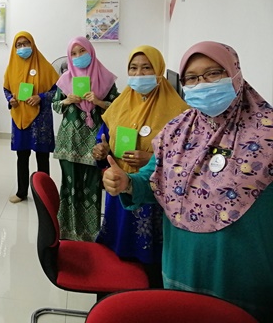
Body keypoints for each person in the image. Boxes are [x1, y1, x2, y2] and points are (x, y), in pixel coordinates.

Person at [102, 41, 273, 321]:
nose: (201, 84)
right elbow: (152, 178)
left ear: (235, 74)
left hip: (242, 276)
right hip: (182, 266)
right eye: (191, 78)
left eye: (213, 73)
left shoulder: (267, 133)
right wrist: (128, 183)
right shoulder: (176, 131)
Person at [92, 46, 188, 286]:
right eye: (133, 68)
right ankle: (117, 288)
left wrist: (150, 160)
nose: (139, 74)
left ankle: (146, 295)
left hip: (151, 195)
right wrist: (101, 150)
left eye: (146, 68)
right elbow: (104, 137)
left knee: (148, 259)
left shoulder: (178, 112)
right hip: (119, 188)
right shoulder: (121, 103)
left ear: (159, 70)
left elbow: (183, 157)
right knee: (118, 251)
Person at [52, 36, 118, 241]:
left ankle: (90, 232)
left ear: (91, 51)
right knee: (70, 186)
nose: (78, 56)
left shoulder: (105, 79)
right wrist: (67, 100)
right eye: (73, 53)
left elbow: (117, 109)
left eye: (82, 51)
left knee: (91, 187)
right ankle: (67, 231)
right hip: (69, 142)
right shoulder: (65, 80)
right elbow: (55, 106)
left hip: (94, 143)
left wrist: (98, 101)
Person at [3, 31, 58, 203]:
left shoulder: (45, 66)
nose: (22, 47)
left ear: (32, 44)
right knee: (22, 156)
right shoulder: (11, 67)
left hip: (41, 118)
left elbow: (56, 91)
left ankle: (45, 194)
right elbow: (6, 89)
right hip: (20, 116)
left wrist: (40, 97)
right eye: (18, 45)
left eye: (25, 43)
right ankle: (21, 192)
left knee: (42, 156)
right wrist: (10, 100)